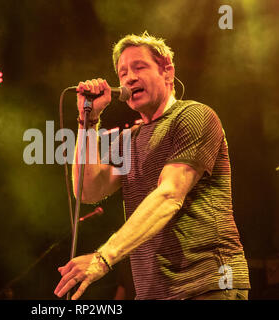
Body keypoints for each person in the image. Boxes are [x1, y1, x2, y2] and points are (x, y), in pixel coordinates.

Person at [54, 31, 250, 300]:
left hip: (208, 284)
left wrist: (102, 259)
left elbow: (169, 195)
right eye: (122, 73)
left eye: (139, 67)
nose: (129, 77)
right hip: (153, 293)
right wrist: (89, 120)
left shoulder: (194, 115)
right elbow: (88, 191)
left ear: (167, 71)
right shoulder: (128, 140)